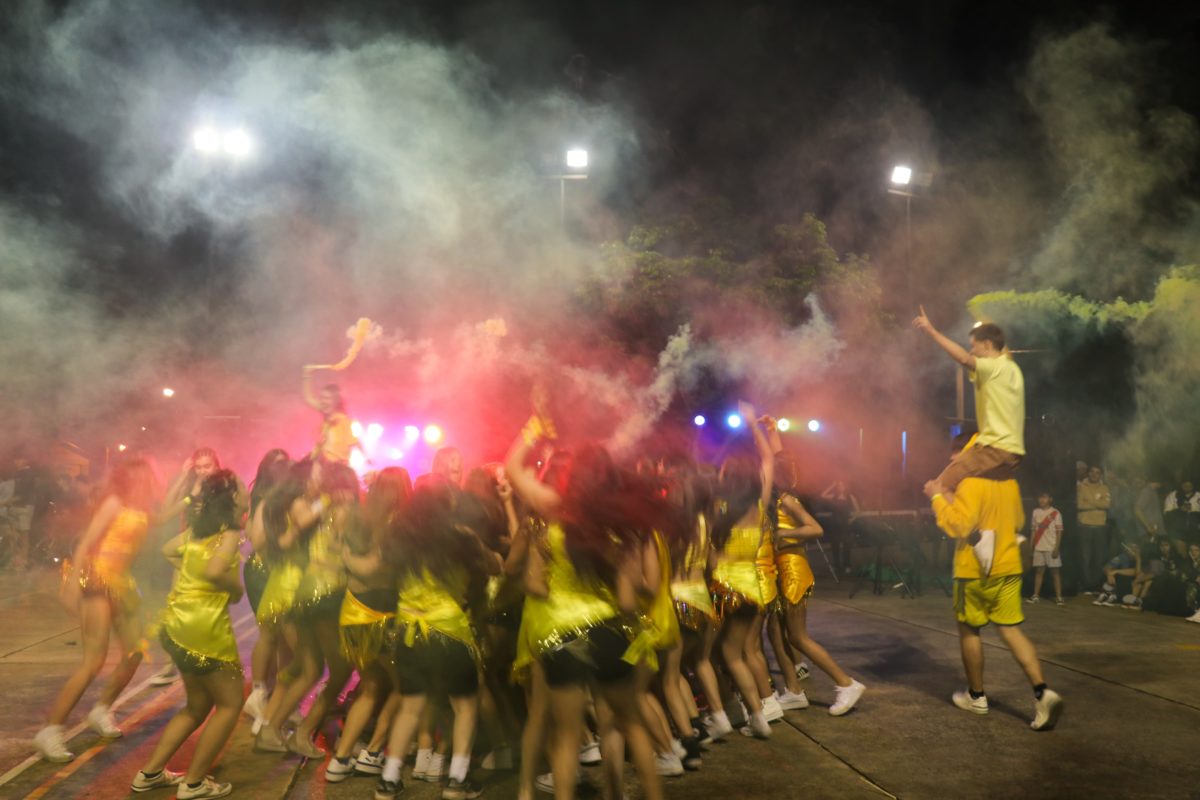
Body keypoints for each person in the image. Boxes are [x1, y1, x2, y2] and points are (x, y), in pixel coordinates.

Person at [505, 407, 668, 800]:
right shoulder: (622, 528)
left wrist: (534, 425)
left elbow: (512, 469)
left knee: (565, 738)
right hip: (610, 635)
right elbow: (627, 601)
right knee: (632, 726)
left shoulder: (554, 508)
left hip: (560, 639)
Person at [373, 481, 499, 800]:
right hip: (449, 631)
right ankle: (457, 780)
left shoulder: (399, 539)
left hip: (410, 633)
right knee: (465, 706)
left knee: (410, 708)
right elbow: (493, 567)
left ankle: (389, 780)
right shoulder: (460, 537)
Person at [34, 459, 161, 762]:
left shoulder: (143, 508)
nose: (150, 481)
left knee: (134, 651)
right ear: (131, 478)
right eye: (144, 476)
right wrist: (71, 585)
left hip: (122, 583)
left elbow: (166, 517)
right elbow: (85, 544)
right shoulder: (114, 503)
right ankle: (51, 730)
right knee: (94, 661)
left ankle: (101, 710)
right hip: (97, 579)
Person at [131, 471, 245, 800]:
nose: (246, 492)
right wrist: (235, 589)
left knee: (197, 705)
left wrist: (189, 576)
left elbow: (168, 550)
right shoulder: (229, 532)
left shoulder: (198, 530)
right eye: (241, 488)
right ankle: (194, 783)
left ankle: (150, 773)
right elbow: (215, 571)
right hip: (204, 627)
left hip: (177, 622)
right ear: (232, 498)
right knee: (230, 704)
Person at [924, 475, 1063, 731]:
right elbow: (1017, 521)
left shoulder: (970, 482)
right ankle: (1042, 692)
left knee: (969, 630)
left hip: (974, 570)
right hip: (1008, 565)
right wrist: (953, 497)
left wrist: (936, 497)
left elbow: (959, 526)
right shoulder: (1009, 482)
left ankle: (976, 696)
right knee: (1011, 630)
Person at [767, 434, 866, 717]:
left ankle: (846, 684)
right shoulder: (774, 498)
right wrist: (771, 433)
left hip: (793, 571)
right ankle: (793, 691)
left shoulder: (786, 499)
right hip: (779, 571)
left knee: (797, 637)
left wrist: (782, 535)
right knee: (775, 633)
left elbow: (815, 529)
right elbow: (778, 457)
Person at [912, 311, 1024, 489]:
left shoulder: (993, 367)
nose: (972, 351)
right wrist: (985, 317)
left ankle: (948, 506)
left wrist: (931, 331)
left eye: (973, 346)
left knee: (938, 487)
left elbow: (964, 358)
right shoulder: (1011, 367)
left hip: (993, 449)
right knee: (971, 488)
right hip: (1013, 454)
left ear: (987, 345)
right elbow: (1003, 351)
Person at [302, 367, 358, 465]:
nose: (323, 401)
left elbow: (353, 442)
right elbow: (308, 398)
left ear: (335, 401)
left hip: (337, 466)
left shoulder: (343, 420)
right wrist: (306, 375)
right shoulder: (325, 412)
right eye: (322, 398)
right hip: (323, 462)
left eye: (327, 398)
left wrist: (366, 457)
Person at [1077, 466, 1112, 593]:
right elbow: (1079, 504)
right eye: (1092, 471)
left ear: (1100, 475)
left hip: (1100, 527)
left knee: (1098, 557)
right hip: (1084, 526)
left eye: (1097, 472)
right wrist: (1097, 502)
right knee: (1085, 558)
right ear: (1088, 473)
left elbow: (1107, 504)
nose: (1094, 474)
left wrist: (1089, 502)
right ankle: (1086, 585)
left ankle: (1096, 585)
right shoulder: (1081, 486)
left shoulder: (1105, 488)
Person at [1027, 492, 1065, 605]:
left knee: (1055, 572)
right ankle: (1035, 595)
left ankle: (1059, 597)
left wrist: (1056, 548)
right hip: (1039, 547)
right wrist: (1031, 547)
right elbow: (1033, 531)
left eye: (1044, 497)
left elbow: (1059, 532)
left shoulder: (1056, 513)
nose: (1042, 500)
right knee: (1039, 571)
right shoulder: (1035, 512)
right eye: (1040, 497)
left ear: (1050, 499)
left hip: (1051, 547)